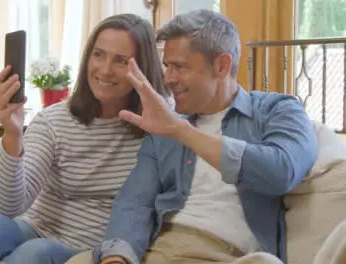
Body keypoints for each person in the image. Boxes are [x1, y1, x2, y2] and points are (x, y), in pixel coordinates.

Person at [66, 9, 318, 264]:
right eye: (167, 66)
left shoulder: (276, 110)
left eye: (180, 67)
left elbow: (281, 172)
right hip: (157, 249)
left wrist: (182, 131)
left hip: (227, 254)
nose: (168, 78)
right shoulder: (166, 126)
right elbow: (134, 202)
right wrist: (117, 257)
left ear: (222, 65)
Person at [0, 13, 169, 264]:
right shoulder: (55, 120)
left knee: (35, 254)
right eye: (98, 54)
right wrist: (13, 134)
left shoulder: (160, 124)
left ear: (143, 69)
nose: (105, 69)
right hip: (35, 228)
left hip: (90, 246)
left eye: (121, 61)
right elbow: (9, 207)